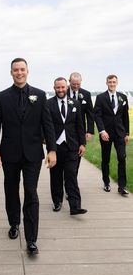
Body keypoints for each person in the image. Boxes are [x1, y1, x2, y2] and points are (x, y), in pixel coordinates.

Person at [0, 58, 57, 255]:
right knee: (11, 190)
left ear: (28, 71)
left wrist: (52, 150)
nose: (19, 73)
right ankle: (13, 223)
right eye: (15, 70)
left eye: (22, 69)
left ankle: (31, 239)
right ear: (11, 73)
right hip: (9, 154)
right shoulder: (1, 97)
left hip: (33, 154)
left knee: (31, 192)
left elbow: (48, 124)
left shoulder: (40, 95)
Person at [48, 77, 87, 215]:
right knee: (56, 175)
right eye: (58, 87)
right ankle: (57, 201)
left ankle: (75, 206)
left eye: (63, 87)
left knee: (71, 175)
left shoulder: (75, 103)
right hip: (55, 147)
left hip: (72, 146)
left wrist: (82, 143)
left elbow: (80, 126)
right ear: (54, 88)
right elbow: (45, 125)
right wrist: (46, 142)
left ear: (67, 87)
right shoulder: (48, 104)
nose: (60, 90)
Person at [94, 74, 130, 195]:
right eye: (110, 82)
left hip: (120, 133)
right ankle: (106, 182)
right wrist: (102, 131)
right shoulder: (100, 98)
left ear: (117, 83)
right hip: (106, 133)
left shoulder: (123, 97)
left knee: (122, 157)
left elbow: (125, 117)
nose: (112, 84)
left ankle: (122, 186)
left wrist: (127, 133)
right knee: (106, 159)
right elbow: (97, 116)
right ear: (106, 83)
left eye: (114, 82)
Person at [68, 72, 94, 173]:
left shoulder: (86, 94)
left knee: (77, 157)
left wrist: (89, 131)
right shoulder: (63, 91)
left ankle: (72, 180)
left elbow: (90, 114)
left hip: (80, 131)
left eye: (78, 84)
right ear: (69, 81)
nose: (76, 86)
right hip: (65, 131)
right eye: (73, 84)